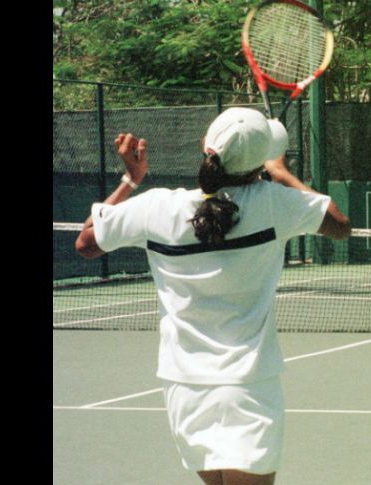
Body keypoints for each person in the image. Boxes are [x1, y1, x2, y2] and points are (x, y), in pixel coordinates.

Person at [75, 108, 351, 485]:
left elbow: (87, 243)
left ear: (206, 147)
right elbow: (340, 226)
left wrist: (130, 179)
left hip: (183, 389)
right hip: (248, 387)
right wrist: (283, 174)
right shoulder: (275, 204)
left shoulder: (157, 206)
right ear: (259, 165)